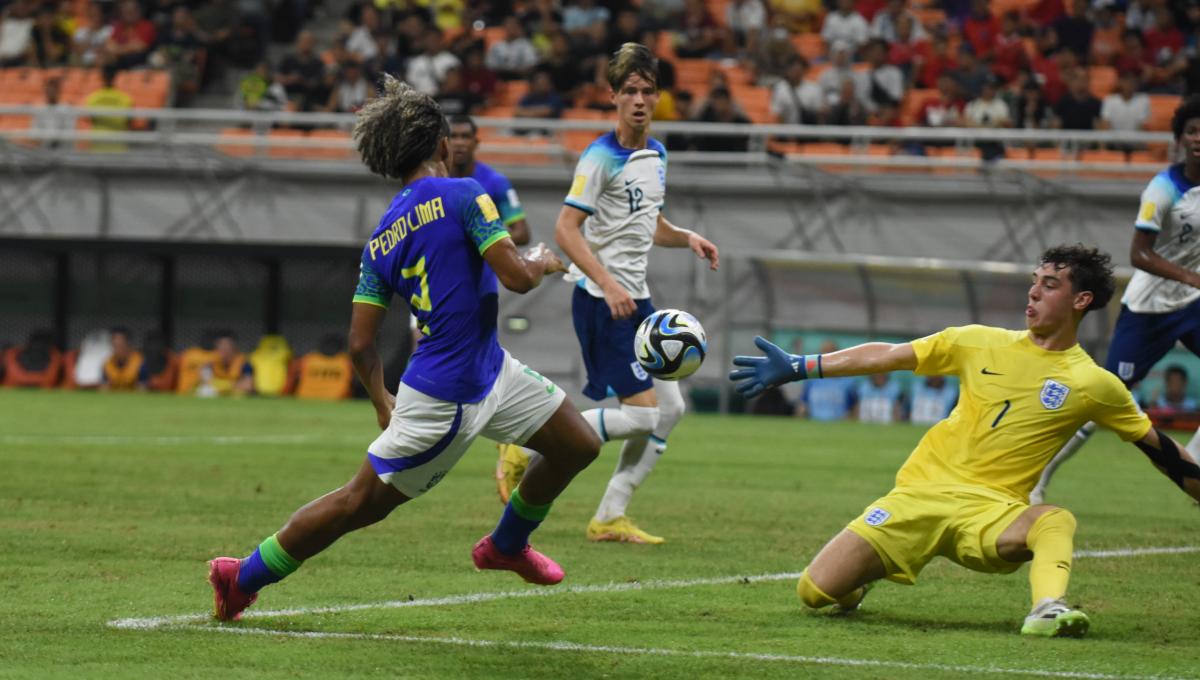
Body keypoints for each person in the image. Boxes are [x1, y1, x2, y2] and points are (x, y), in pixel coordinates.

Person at [208, 77, 602, 621]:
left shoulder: (382, 236)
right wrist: (543, 259)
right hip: (446, 399)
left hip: (489, 369)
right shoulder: (466, 194)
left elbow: (360, 343)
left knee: (577, 443)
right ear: (441, 144)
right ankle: (241, 575)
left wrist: (379, 398)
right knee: (356, 505)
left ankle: (505, 546)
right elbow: (516, 278)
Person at [730, 244, 1200, 637]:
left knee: (1054, 520)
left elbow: (1161, 451)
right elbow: (889, 355)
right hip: (919, 495)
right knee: (814, 593)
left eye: (1050, 285)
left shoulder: (1094, 384)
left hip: (991, 516)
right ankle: (862, 578)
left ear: (1082, 301)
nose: (1034, 291)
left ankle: (1047, 608)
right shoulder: (976, 341)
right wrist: (801, 366)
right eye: (1034, 281)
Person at [494, 43, 720, 545]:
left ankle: (610, 515)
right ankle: (525, 449)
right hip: (603, 301)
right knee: (642, 415)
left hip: (635, 301)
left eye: (648, 91)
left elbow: (649, 222)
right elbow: (567, 229)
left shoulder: (656, 154)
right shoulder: (599, 157)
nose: (640, 100)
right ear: (613, 96)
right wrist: (609, 283)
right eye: (630, 91)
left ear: (658, 97)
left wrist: (685, 237)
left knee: (672, 410)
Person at [1032, 97, 1200, 504]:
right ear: (1179, 139)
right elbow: (1138, 254)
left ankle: (1193, 470)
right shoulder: (1162, 189)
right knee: (1101, 398)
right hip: (1147, 310)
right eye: (1192, 131)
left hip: (1192, 305)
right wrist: (1190, 276)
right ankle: (1037, 479)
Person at [447, 115, 531, 245]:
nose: (459, 143)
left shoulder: (497, 182)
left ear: (476, 143)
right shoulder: (433, 180)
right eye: (453, 136)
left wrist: (477, 239)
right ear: (444, 143)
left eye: (465, 136)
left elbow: (522, 234)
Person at [196, 331, 254, 397]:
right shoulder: (210, 363)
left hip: (234, 397)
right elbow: (205, 383)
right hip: (217, 396)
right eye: (222, 346)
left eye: (227, 347)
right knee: (204, 391)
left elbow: (248, 386)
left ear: (234, 348)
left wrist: (223, 386)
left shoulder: (244, 364)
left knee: (240, 394)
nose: (225, 350)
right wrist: (231, 385)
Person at [99, 326, 143, 392]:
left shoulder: (139, 361)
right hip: (113, 399)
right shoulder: (107, 363)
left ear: (128, 343)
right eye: (115, 345)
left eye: (121, 344)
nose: (117, 348)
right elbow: (103, 387)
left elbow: (144, 388)